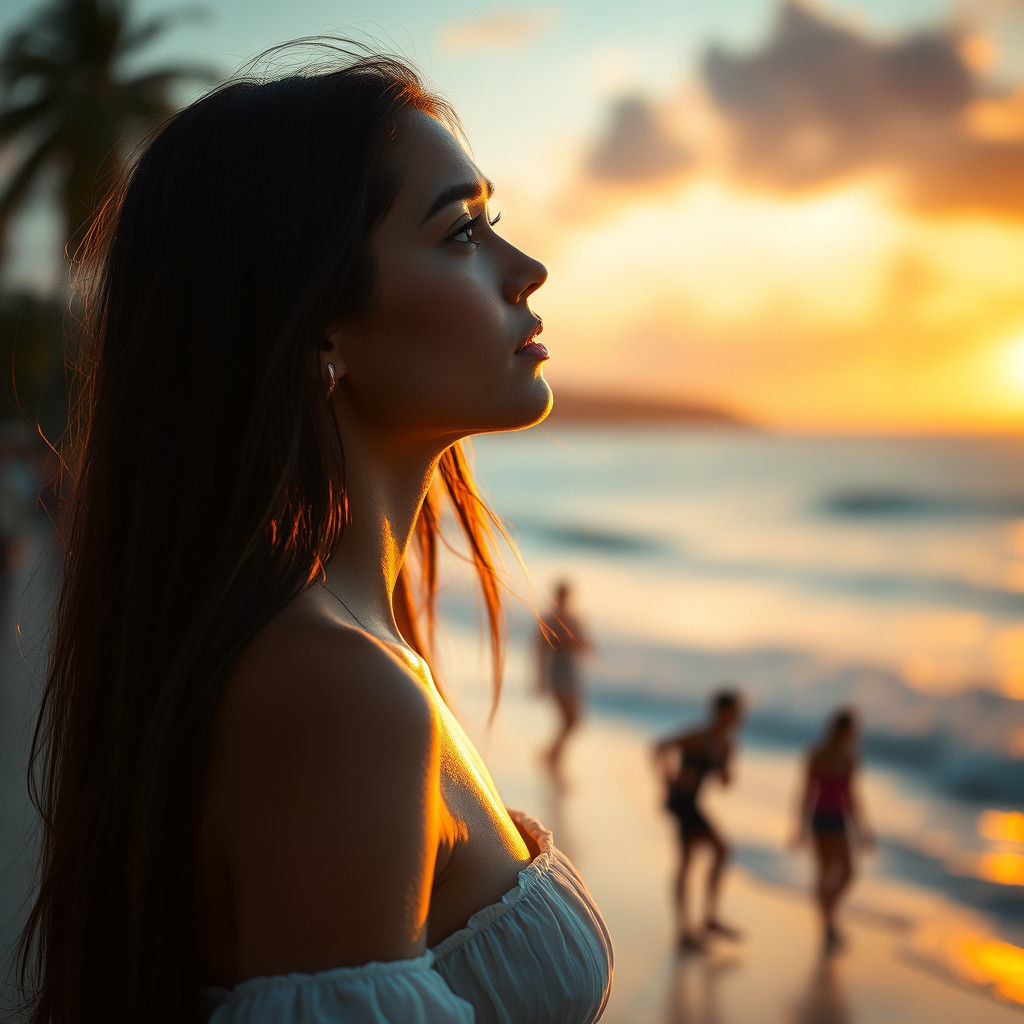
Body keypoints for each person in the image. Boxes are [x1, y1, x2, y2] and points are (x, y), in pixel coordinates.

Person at [14, 42, 612, 1024]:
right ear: (319, 328)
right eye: (462, 232)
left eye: (490, 221)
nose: (526, 269)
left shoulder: (346, 642)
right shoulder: (336, 686)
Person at [653, 689, 743, 952]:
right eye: (736, 711)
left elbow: (724, 781)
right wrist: (667, 779)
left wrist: (725, 774)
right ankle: (699, 922)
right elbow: (660, 747)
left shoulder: (726, 744)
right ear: (722, 712)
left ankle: (697, 923)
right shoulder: (697, 737)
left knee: (699, 857)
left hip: (692, 804)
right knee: (714, 851)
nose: (739, 716)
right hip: (680, 801)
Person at [792, 707, 873, 955]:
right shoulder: (816, 754)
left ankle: (829, 918)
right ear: (840, 730)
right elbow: (806, 792)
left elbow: (851, 797)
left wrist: (862, 829)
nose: (852, 735)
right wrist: (800, 826)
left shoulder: (849, 758)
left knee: (847, 872)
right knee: (825, 872)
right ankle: (828, 926)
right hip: (820, 819)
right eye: (850, 730)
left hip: (839, 820)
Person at [535, 579, 591, 789]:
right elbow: (539, 650)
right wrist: (539, 678)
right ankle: (553, 760)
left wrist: (576, 642)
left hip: (572, 673)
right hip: (557, 674)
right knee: (568, 720)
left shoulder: (574, 620)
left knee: (572, 722)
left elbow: (586, 645)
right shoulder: (550, 619)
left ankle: (551, 756)